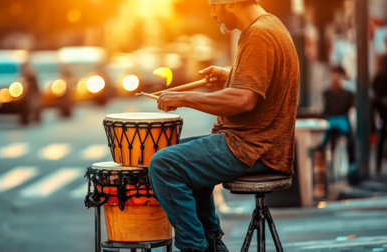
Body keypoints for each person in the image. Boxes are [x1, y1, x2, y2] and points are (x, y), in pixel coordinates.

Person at [147, 0, 300, 251]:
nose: (212, 13)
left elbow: (243, 100)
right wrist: (229, 76)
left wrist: (184, 98)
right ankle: (212, 243)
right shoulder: (268, 26)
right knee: (178, 155)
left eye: (212, 5)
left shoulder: (259, 34)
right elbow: (258, 85)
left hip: (253, 148)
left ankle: (196, 247)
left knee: (164, 164)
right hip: (255, 144)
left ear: (228, 2)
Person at [318, 65, 356, 181]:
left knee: (350, 139)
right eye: (333, 74)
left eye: (337, 74)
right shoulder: (326, 92)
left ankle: (351, 166)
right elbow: (323, 110)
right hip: (330, 120)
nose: (334, 77)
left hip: (341, 119)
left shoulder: (348, 93)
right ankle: (323, 168)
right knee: (321, 143)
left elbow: (351, 109)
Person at [372, 38, 387, 174]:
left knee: (382, 135)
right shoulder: (382, 58)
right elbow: (377, 83)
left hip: (382, 104)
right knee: (382, 134)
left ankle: (377, 165)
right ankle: (377, 165)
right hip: (383, 106)